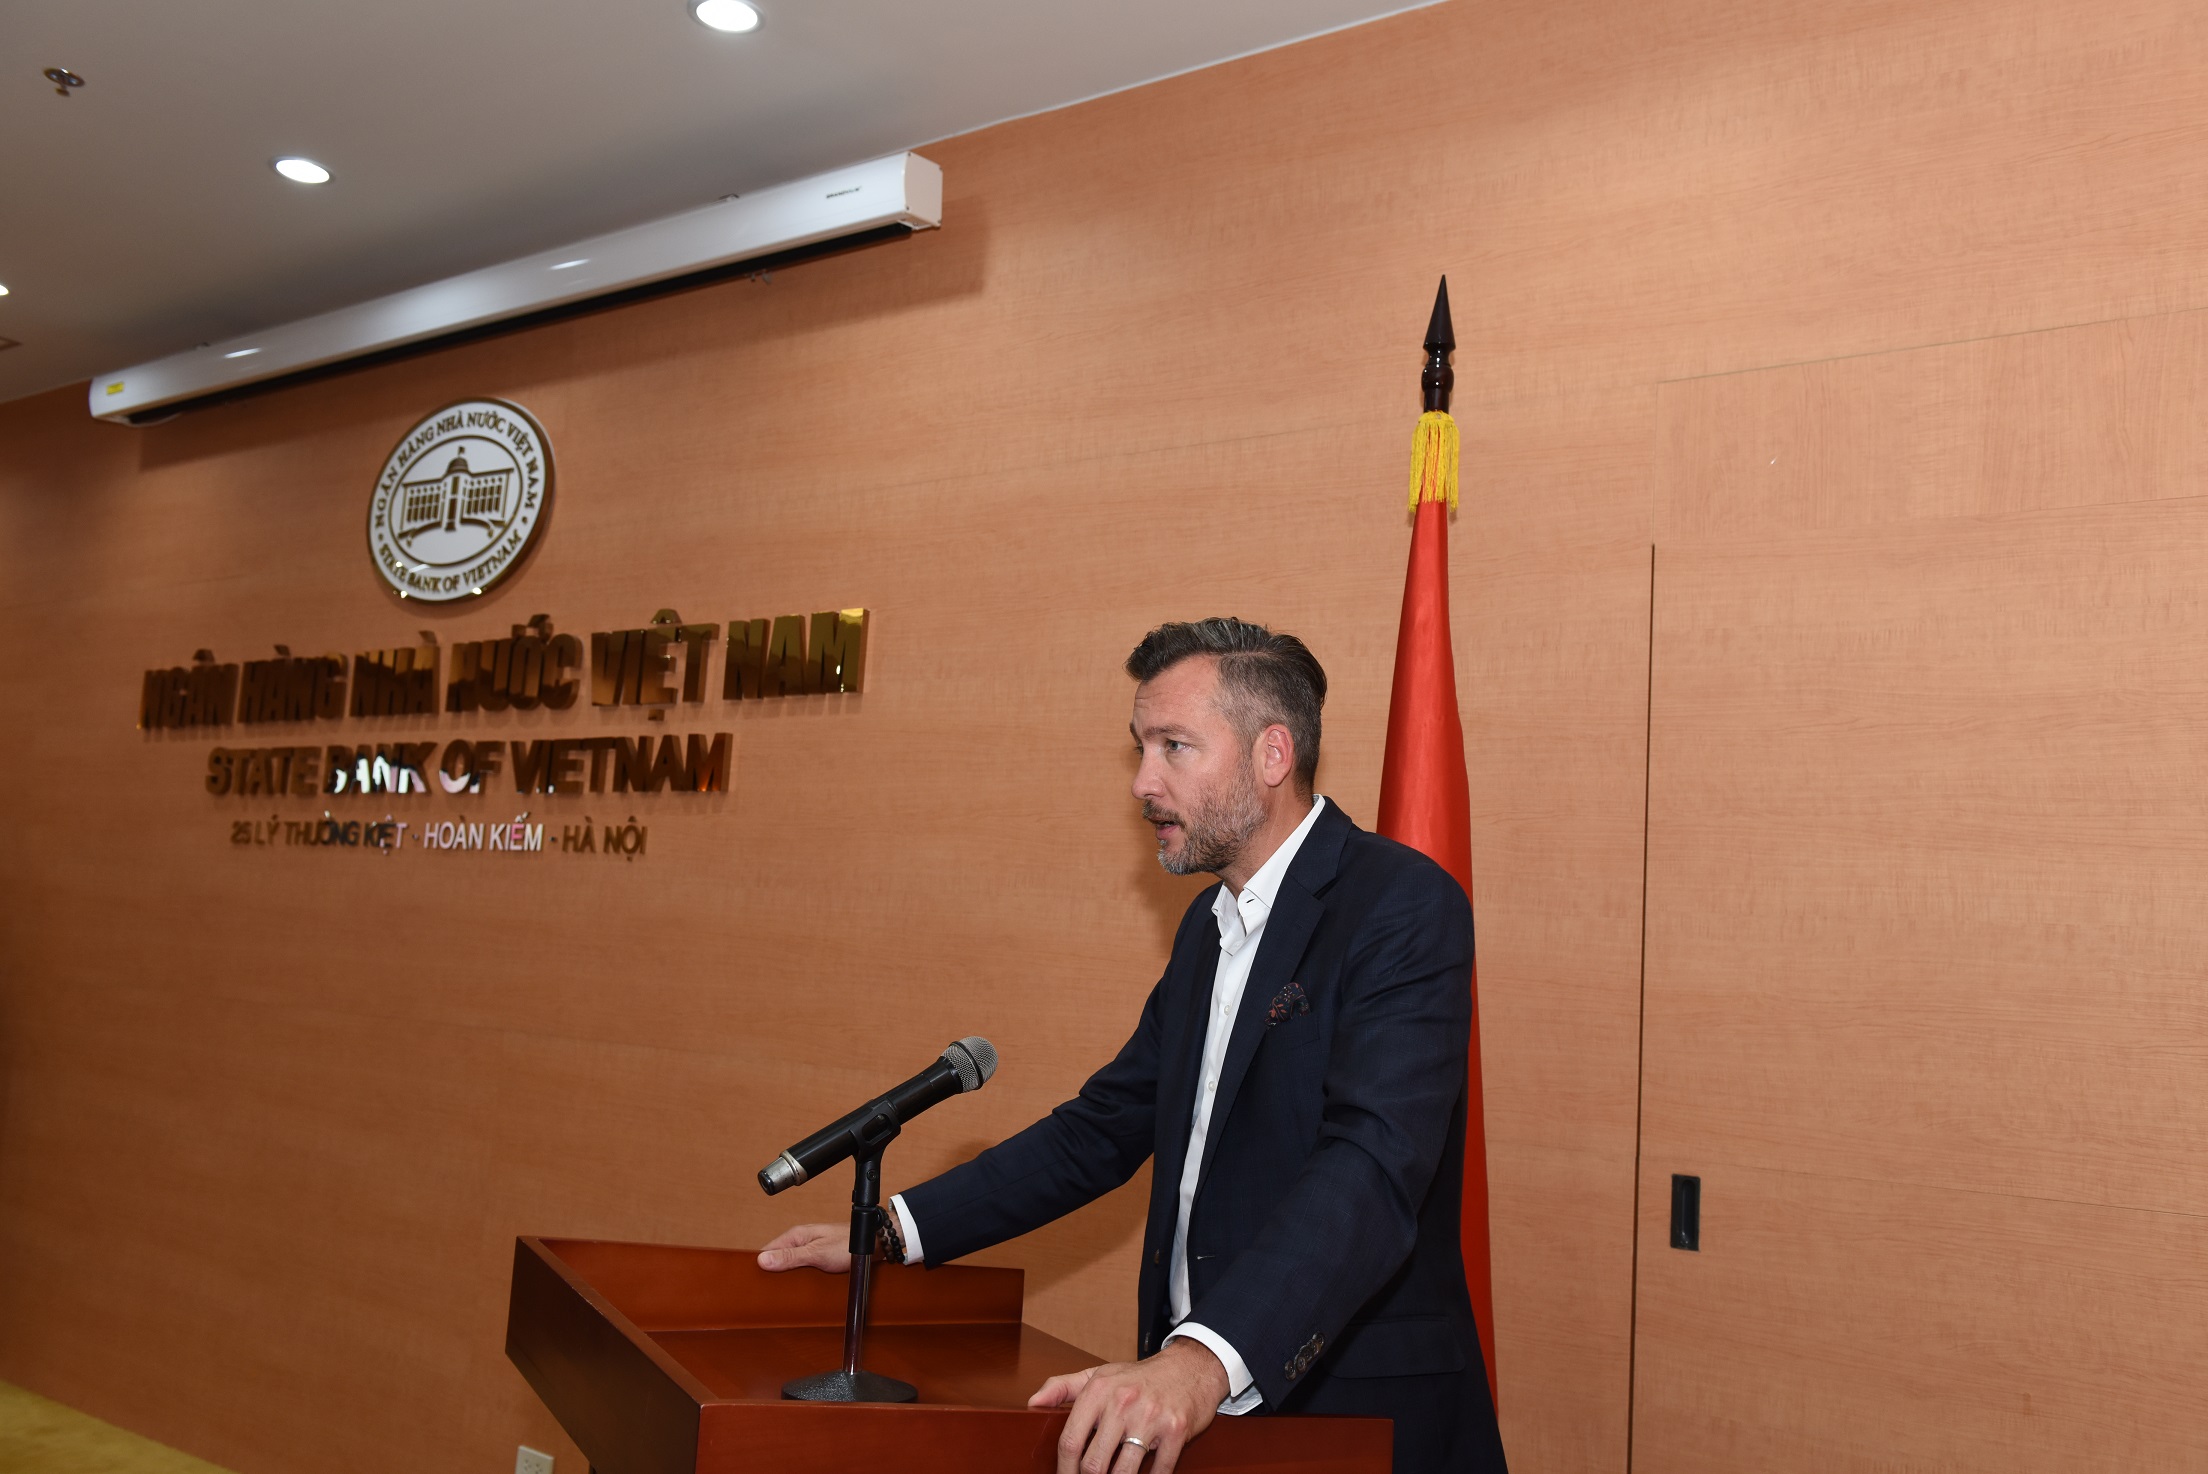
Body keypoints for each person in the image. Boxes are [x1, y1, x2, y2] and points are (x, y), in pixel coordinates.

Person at [760, 618, 1506, 1474]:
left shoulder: (1399, 905)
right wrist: (892, 1230)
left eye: (1174, 747)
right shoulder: (1206, 929)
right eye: (1140, 748)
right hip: (1200, 1415)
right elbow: (1102, 1129)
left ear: (1272, 755)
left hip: (1353, 1418)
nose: (1143, 782)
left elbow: (1370, 1169)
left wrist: (1201, 1361)